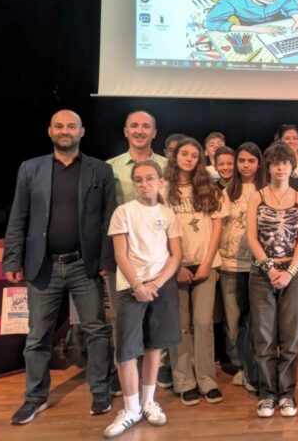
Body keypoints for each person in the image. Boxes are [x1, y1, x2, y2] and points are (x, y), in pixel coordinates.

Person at [3, 109, 116, 424]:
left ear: (82, 131)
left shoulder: (100, 170)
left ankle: (100, 391)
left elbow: (110, 218)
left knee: (96, 331)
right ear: (50, 131)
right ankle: (35, 398)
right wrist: (12, 258)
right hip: (43, 267)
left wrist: (106, 259)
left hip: (85, 266)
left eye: (71, 126)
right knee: (37, 337)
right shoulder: (30, 169)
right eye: (59, 126)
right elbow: (18, 216)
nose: (65, 130)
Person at [103, 161, 182, 438]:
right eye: (139, 179)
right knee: (126, 349)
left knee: (154, 346)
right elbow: (120, 254)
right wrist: (138, 285)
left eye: (150, 178)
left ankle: (148, 402)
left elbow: (176, 254)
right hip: (130, 288)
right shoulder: (123, 212)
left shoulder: (168, 214)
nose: (144, 184)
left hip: (160, 287)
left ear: (161, 181)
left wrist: (155, 284)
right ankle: (131, 408)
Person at [107, 111, 169, 395]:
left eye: (146, 126)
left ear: (155, 133)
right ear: (125, 130)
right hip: (124, 258)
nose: (140, 130)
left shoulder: (168, 166)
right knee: (124, 322)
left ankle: (154, 376)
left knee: (156, 323)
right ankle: (125, 375)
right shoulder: (110, 168)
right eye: (134, 125)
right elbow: (104, 213)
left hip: (159, 259)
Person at [247, 142, 298, 418]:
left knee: (290, 337)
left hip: (293, 273)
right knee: (263, 336)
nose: (281, 167)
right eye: (276, 163)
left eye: (285, 162)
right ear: (269, 166)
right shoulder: (257, 197)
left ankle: (286, 394)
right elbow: (252, 237)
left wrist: (289, 272)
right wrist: (270, 269)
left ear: (292, 166)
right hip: (262, 274)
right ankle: (267, 394)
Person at [166, 137, 227, 406]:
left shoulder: (210, 189)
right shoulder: (163, 189)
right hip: (174, 266)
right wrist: (176, 265)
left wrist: (207, 262)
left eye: (194, 155)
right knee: (180, 325)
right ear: (175, 157)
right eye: (184, 154)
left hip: (205, 264)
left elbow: (217, 228)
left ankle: (206, 379)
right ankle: (184, 381)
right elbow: (159, 230)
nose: (189, 159)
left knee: (203, 323)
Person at [218, 143, 265, 393]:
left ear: (259, 163)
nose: (246, 165)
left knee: (256, 319)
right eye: (242, 161)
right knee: (233, 318)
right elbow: (219, 226)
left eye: (251, 161)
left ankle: (254, 364)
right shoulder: (228, 191)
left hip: (258, 264)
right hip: (231, 263)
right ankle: (238, 364)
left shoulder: (265, 189)